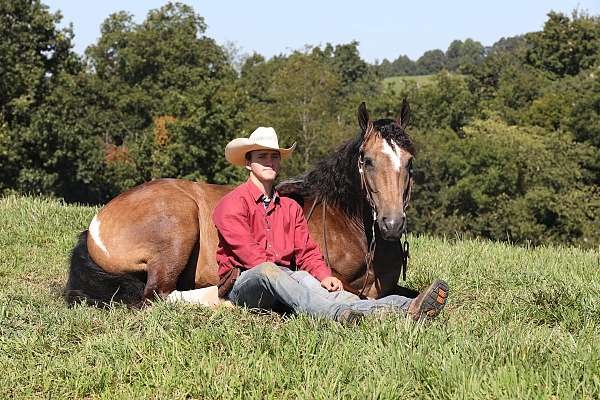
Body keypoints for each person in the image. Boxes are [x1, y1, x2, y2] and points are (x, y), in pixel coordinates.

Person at [213, 127, 448, 324]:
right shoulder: (231, 204)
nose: (270, 162)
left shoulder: (289, 208)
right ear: (248, 163)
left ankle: (408, 306)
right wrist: (300, 279)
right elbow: (253, 259)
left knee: (330, 290)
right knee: (271, 272)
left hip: (287, 279)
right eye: (261, 157)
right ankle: (335, 315)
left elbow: (306, 252)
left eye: (274, 157)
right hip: (246, 285)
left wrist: (324, 276)